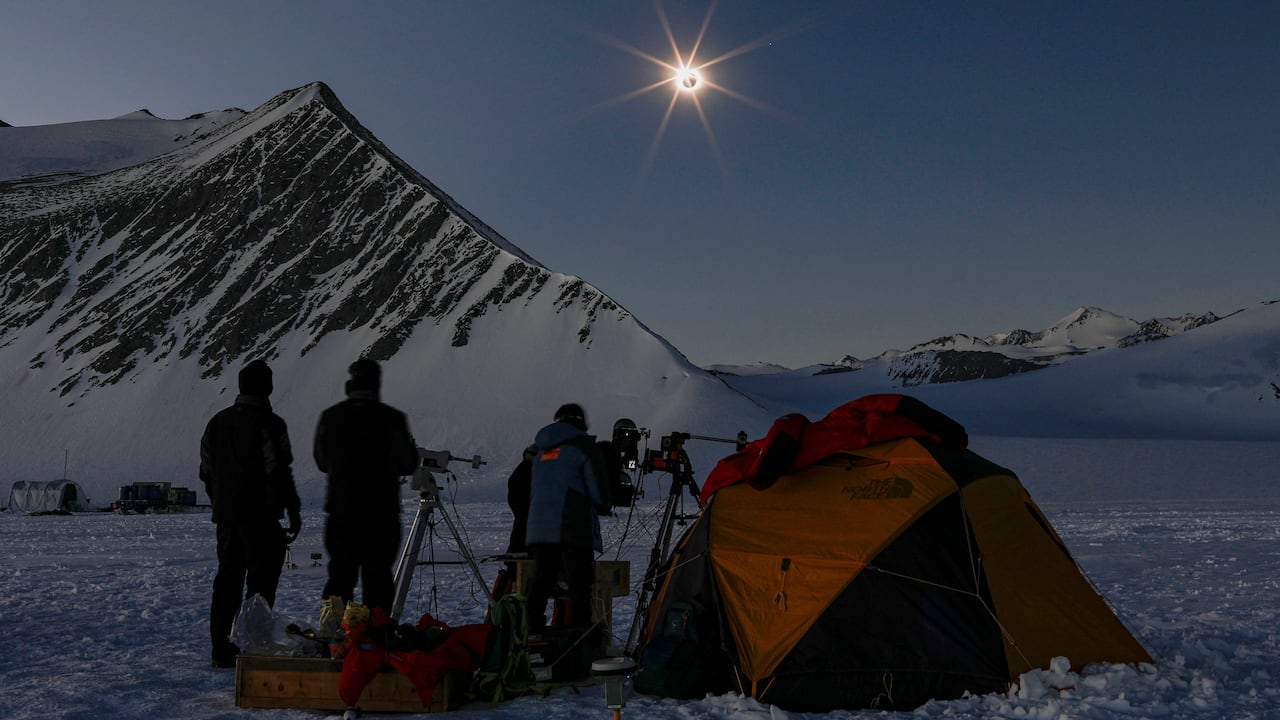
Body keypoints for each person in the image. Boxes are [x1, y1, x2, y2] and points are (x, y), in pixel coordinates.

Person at [199, 359, 302, 669]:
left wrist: (222, 503)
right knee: (261, 583)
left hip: (227, 519)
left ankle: (220, 648)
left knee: (227, 581)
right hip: (261, 518)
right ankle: (255, 644)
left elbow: (206, 471)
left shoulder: (216, 423)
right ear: (267, 387)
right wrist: (292, 510)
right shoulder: (270, 423)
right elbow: (279, 470)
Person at [314, 358, 418, 618]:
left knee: (339, 579)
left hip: (342, 513)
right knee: (378, 580)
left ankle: (333, 637)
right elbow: (408, 463)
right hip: (382, 515)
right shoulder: (392, 418)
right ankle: (376, 641)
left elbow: (321, 460)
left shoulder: (331, 417)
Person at [524, 403, 610, 629]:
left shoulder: (542, 450)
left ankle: (529, 635)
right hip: (571, 525)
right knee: (579, 586)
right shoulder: (583, 445)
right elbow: (598, 490)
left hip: (539, 529)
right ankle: (577, 640)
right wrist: (605, 503)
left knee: (541, 582)